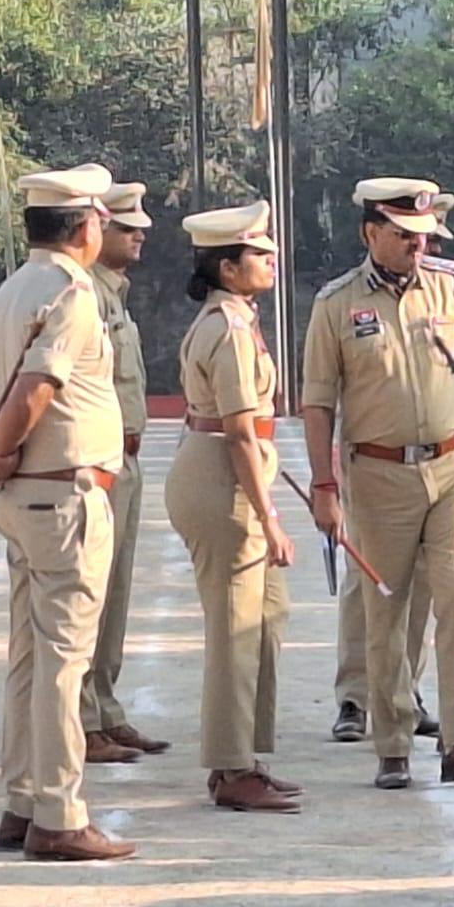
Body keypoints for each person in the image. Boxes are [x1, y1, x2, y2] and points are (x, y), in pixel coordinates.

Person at [302, 177, 454, 790]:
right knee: (385, 609)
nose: (417, 246)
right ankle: (392, 745)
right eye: (404, 236)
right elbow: (318, 403)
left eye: (423, 237)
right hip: (378, 473)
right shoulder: (336, 304)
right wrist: (323, 485)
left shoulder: (450, 287)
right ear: (372, 233)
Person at [0, 162, 132, 861]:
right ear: (87, 226)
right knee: (63, 660)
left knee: (29, 656)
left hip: (28, 496)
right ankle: (59, 813)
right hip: (64, 494)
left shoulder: (9, 293)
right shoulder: (71, 293)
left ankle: (24, 801)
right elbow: (33, 389)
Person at [164, 202, 299, 812]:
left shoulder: (235, 320)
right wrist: (270, 518)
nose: (271, 260)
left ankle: (244, 755)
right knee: (235, 630)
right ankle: (231, 766)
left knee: (264, 619)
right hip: (224, 481)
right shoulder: (230, 329)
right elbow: (240, 431)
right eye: (258, 253)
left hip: (228, 473)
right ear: (227, 267)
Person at [78, 182, 168, 764]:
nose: (139, 236)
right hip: (98, 461)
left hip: (126, 459)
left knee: (116, 593)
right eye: (127, 227)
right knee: (90, 593)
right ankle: (83, 717)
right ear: (96, 228)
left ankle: (104, 708)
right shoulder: (83, 293)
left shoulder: (114, 293)